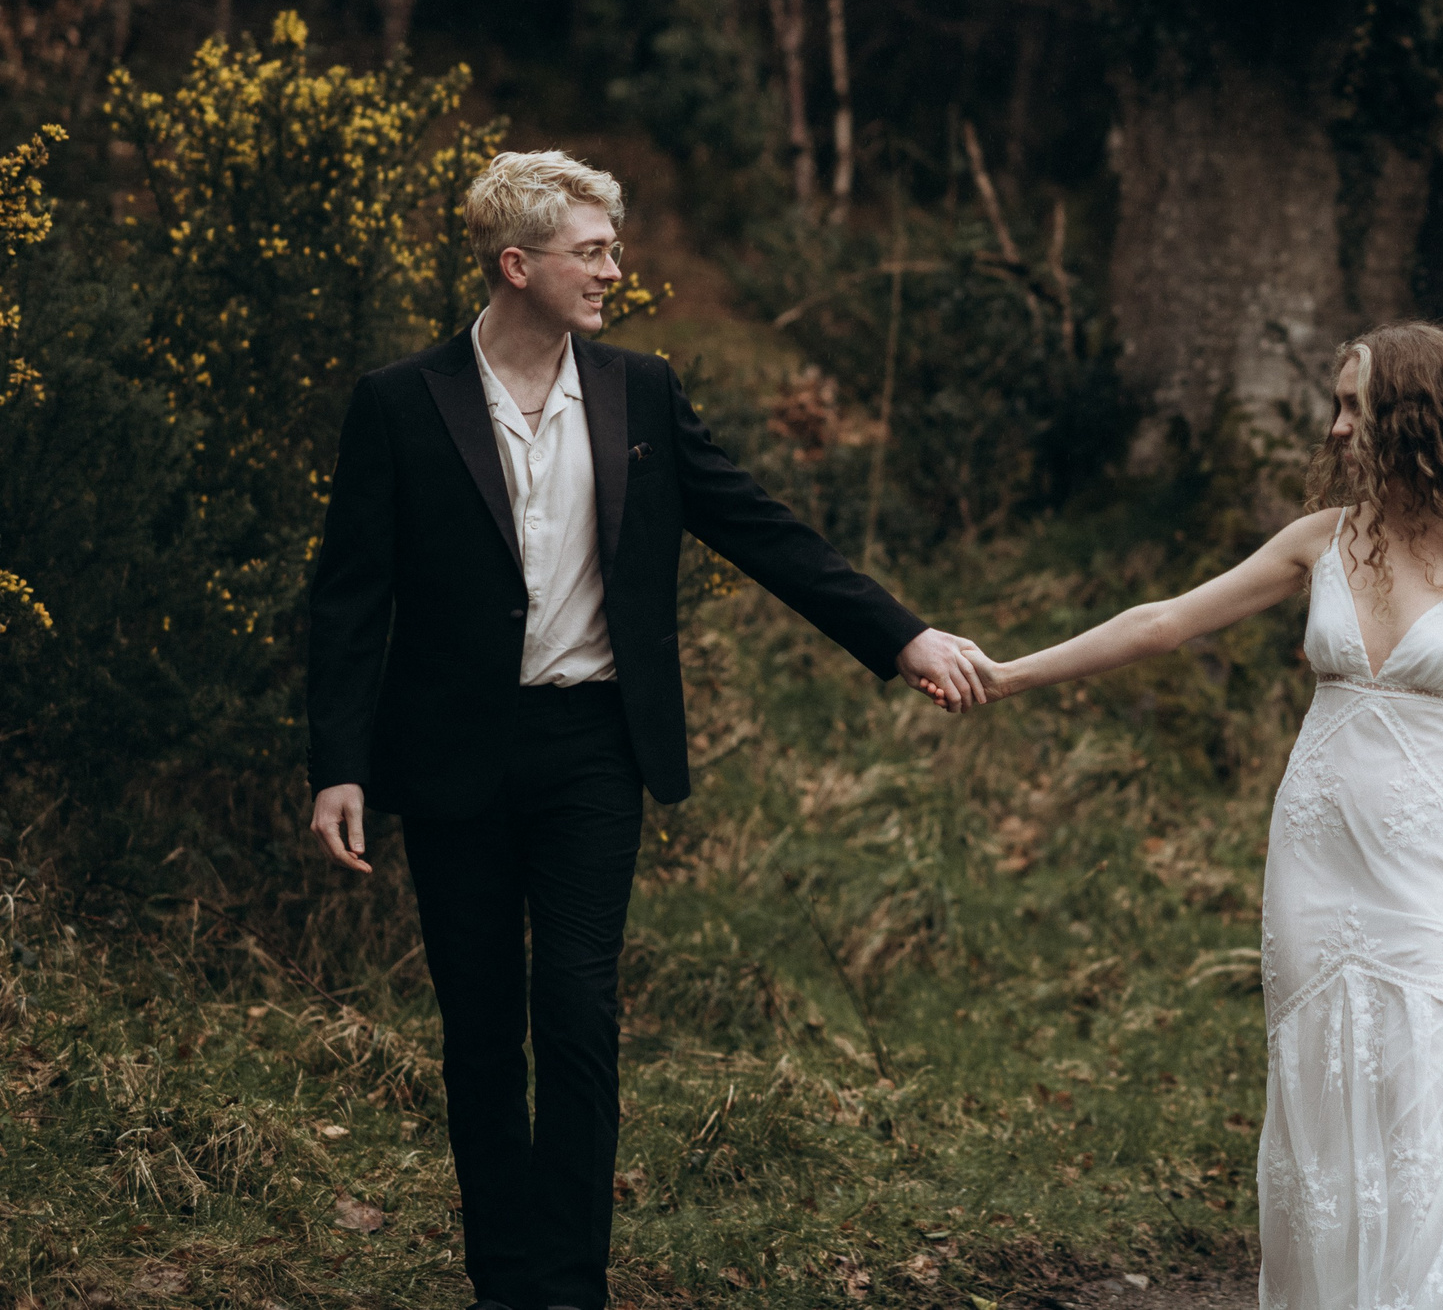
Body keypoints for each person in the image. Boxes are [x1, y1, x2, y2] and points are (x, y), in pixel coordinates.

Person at [303, 150, 987, 1310]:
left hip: (594, 751)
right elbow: (350, 597)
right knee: (480, 1026)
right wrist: (339, 766)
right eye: (592, 252)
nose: (615, 271)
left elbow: (759, 528)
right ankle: (503, 1281)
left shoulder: (640, 394)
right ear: (516, 266)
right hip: (455, 756)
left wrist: (901, 637)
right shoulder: (400, 402)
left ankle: (571, 1285)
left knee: (577, 1009)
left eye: (613, 249)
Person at [967, 322, 1443, 1309]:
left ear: (1414, 417)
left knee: (1440, 1089)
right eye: (1338, 406)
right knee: (1320, 1093)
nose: (1338, 427)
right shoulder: (1322, 540)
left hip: (1434, 868)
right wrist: (1010, 675)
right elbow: (1166, 621)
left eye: (1356, 407)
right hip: (1315, 860)